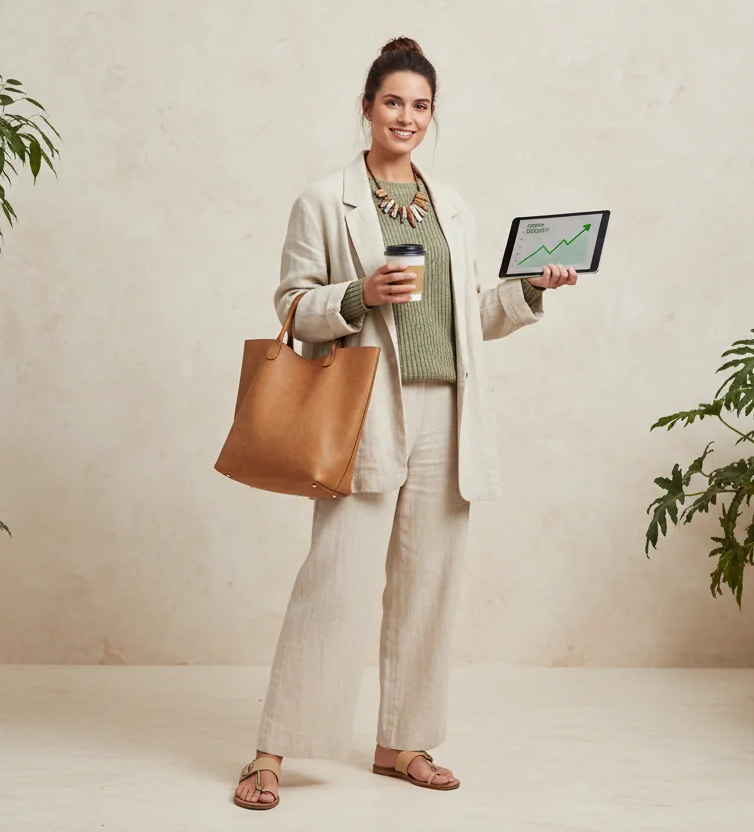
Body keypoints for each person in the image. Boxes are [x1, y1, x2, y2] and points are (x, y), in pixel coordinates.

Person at [233, 36, 578, 811]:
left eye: (420, 105)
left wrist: (530, 289)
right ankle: (269, 752)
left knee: (430, 586)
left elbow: (473, 317)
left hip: (447, 412)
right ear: (366, 108)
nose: (407, 116)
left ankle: (404, 743)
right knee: (334, 583)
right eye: (393, 101)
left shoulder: (450, 205)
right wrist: (359, 295)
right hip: (365, 407)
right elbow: (291, 304)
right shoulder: (325, 199)